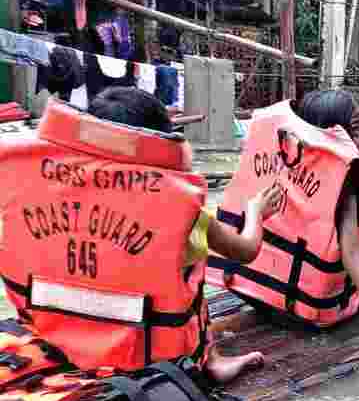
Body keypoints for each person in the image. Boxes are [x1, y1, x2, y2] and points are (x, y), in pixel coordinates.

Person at [0, 88, 279, 385]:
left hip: (54, 340)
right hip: (149, 358)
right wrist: (256, 211)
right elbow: (246, 250)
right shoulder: (179, 205)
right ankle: (210, 360)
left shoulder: (30, 181)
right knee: (191, 256)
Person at [207, 90, 359, 335]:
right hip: (310, 311)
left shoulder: (280, 154)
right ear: (328, 132)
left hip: (256, 292)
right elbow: (352, 256)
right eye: (354, 131)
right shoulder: (342, 177)